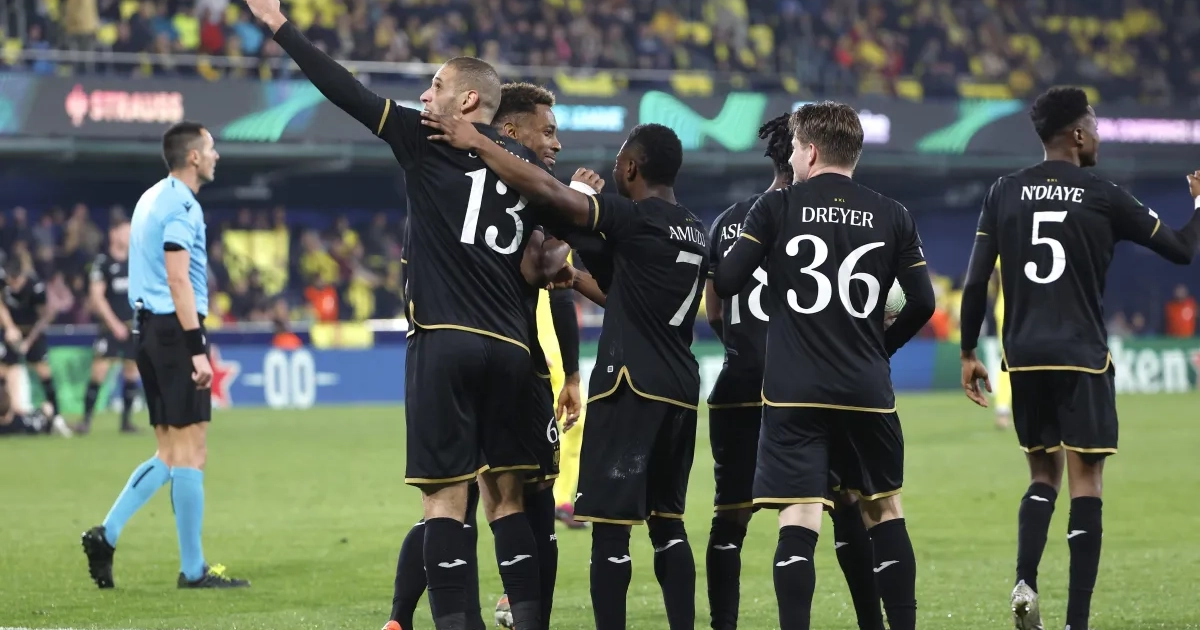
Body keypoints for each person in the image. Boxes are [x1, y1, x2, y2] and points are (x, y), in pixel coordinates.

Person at [245, 1, 550, 625]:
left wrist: (280, 26)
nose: (424, 94)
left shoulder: (425, 138)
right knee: (508, 501)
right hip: (512, 350)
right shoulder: (526, 168)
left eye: (436, 85)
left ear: (468, 101)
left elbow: (345, 90)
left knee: (445, 503)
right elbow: (548, 258)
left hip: (445, 339)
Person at [421, 114, 707, 630]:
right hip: (682, 388)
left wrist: (480, 144)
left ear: (631, 167)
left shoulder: (633, 216)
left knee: (611, 530)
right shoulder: (692, 227)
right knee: (669, 526)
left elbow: (554, 196)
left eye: (618, 161)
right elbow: (629, 297)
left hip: (631, 385)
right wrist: (575, 279)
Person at [958, 86, 1200, 630]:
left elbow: (975, 281)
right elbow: (1182, 249)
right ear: (1076, 134)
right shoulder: (1103, 195)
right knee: (1086, 482)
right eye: (1094, 126)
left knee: (1042, 474)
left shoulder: (1003, 191)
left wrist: (969, 349)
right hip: (1082, 355)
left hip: (1024, 358)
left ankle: (1025, 582)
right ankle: (1077, 623)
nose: (1098, 136)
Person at [713, 101, 935, 630]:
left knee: (800, 516)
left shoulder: (777, 207)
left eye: (794, 147)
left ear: (810, 151)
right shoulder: (893, 213)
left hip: (794, 389)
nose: (790, 156)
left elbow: (727, 282)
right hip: (866, 387)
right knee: (884, 510)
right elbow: (923, 303)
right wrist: (883, 347)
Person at [386, 82, 584, 630]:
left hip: (467, 350)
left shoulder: (454, 182)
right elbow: (551, 278)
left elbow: (552, 283)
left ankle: (421, 617)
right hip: (517, 361)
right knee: (510, 499)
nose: (556, 144)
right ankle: (505, 616)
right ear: (511, 130)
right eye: (548, 132)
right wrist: (571, 210)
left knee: (454, 500)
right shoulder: (529, 192)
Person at [80, 121, 249, 590]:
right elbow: (178, 278)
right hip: (176, 332)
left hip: (148, 331)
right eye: (210, 148)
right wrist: (197, 349)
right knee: (191, 451)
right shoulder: (181, 205)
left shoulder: (150, 198)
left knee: (171, 452)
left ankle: (106, 535)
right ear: (193, 157)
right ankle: (192, 570)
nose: (216, 156)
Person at [75, 219, 141, 435]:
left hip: (133, 325)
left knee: (132, 371)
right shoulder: (102, 263)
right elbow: (97, 297)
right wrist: (114, 324)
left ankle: (126, 422)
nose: (129, 236)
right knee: (99, 371)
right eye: (125, 232)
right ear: (114, 234)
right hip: (110, 327)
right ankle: (85, 421)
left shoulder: (136, 261)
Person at [0, 257, 66, 434]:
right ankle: (7, 415)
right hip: (11, 331)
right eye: (10, 280)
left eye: (16, 280)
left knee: (43, 371)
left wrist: (28, 342)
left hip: (33, 331)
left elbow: (45, 317)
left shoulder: (36, 287)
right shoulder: (3, 283)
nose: (13, 285)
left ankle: (57, 417)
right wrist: (10, 328)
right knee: (4, 370)